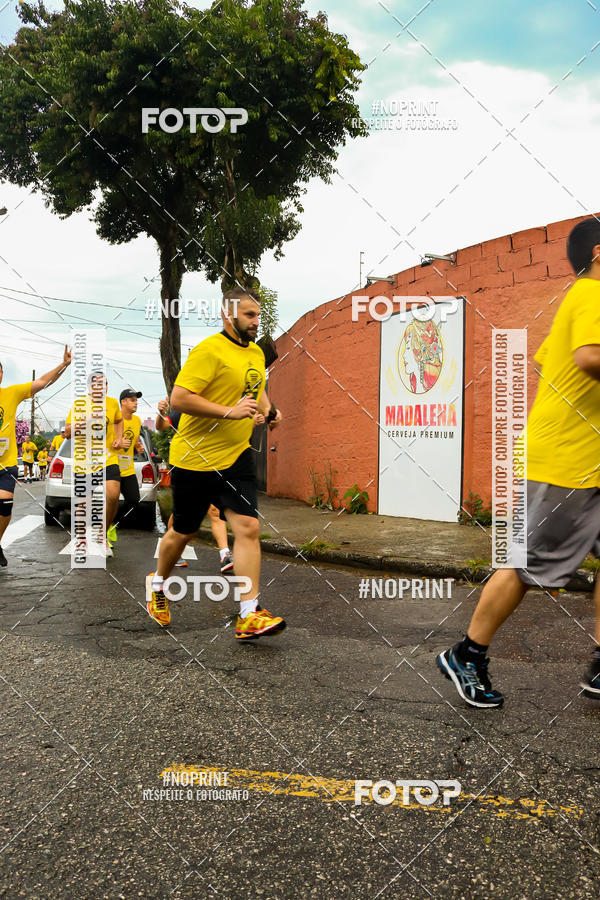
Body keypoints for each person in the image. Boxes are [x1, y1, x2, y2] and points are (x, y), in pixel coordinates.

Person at [437, 218, 600, 708]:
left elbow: (547, 363)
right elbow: (590, 357)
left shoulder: (579, 302)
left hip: (587, 458)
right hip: (566, 465)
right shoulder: (592, 295)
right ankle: (467, 654)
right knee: (530, 566)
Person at [147, 286, 284, 639]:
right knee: (184, 531)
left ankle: (248, 615)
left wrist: (270, 412)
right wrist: (229, 412)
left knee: (249, 528)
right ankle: (158, 585)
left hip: (235, 458)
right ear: (229, 316)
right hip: (194, 459)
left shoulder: (255, 354)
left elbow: (258, 390)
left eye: (258, 315)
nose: (256, 321)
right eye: (250, 315)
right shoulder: (209, 351)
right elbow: (179, 398)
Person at [0, 346, 71, 566]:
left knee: (4, 506)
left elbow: (41, 382)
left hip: (6, 463)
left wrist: (63, 365)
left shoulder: (11, 393)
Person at [155, 398, 235, 571]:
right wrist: (161, 414)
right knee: (180, 513)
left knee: (215, 510)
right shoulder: (184, 409)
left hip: (211, 465)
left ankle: (225, 555)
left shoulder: (215, 408)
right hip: (186, 466)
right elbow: (161, 426)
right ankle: (174, 551)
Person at [65, 372, 124, 558]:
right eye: (98, 384)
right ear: (90, 387)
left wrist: (119, 438)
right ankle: (82, 540)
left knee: (113, 495)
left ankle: (102, 535)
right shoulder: (79, 405)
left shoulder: (113, 403)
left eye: (105, 384)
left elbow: (119, 420)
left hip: (107, 458)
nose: (103, 387)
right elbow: (67, 432)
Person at [106, 389, 144, 547]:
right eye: (132, 399)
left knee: (134, 500)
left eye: (136, 400)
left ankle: (111, 523)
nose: (136, 402)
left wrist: (138, 447)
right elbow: (112, 441)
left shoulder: (137, 420)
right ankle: (104, 530)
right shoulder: (115, 419)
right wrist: (118, 443)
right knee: (112, 498)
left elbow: (133, 438)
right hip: (112, 464)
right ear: (123, 402)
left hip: (127, 469)